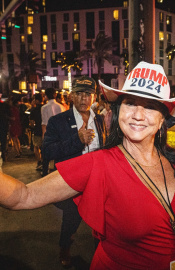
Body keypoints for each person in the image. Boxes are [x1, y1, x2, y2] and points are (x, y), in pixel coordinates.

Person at [0, 62, 175, 270]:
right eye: (130, 103)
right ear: (118, 111)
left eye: (150, 107)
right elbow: (23, 196)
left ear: (162, 120)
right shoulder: (99, 164)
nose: (138, 114)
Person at [42, 76, 106, 267]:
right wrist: (76, 141)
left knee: (100, 222)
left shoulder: (100, 120)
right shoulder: (58, 121)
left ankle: (100, 255)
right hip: (72, 182)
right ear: (71, 96)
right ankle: (65, 247)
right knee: (70, 220)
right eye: (79, 93)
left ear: (94, 98)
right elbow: (47, 151)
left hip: (97, 181)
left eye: (88, 94)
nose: (83, 98)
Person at [41, 88, 65, 176]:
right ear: (55, 95)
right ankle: (56, 174)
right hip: (60, 134)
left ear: (46, 96)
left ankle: (45, 174)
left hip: (49, 134)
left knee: (46, 157)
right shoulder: (61, 107)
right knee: (58, 156)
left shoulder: (44, 108)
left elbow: (44, 124)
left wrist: (44, 136)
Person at [30, 93, 44, 170]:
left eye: (34, 99)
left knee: (36, 146)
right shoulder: (45, 108)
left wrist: (33, 126)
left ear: (37, 100)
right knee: (43, 147)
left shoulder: (34, 110)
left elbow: (32, 123)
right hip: (45, 130)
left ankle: (39, 162)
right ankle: (43, 161)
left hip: (37, 130)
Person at [0, 94, 11, 161]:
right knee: (3, 140)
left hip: (3, 124)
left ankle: (3, 152)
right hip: (4, 124)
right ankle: (3, 152)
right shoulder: (5, 105)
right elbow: (9, 115)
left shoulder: (5, 105)